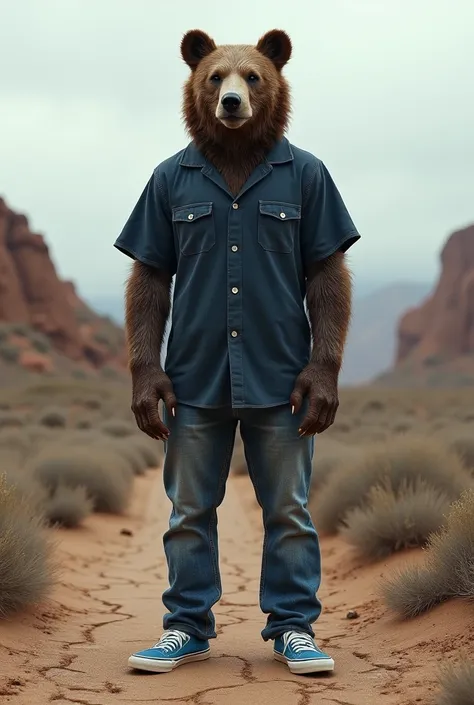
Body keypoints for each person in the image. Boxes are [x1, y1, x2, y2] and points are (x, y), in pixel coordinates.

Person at [114, 28, 360, 676]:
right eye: (218, 79)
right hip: (194, 378)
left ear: (273, 81)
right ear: (198, 84)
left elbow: (327, 274)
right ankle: (186, 626)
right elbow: (149, 278)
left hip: (283, 377)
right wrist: (145, 367)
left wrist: (325, 364)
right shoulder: (171, 179)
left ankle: (294, 627)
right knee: (190, 510)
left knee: (289, 509)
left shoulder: (305, 175)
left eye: (250, 78)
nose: (232, 90)